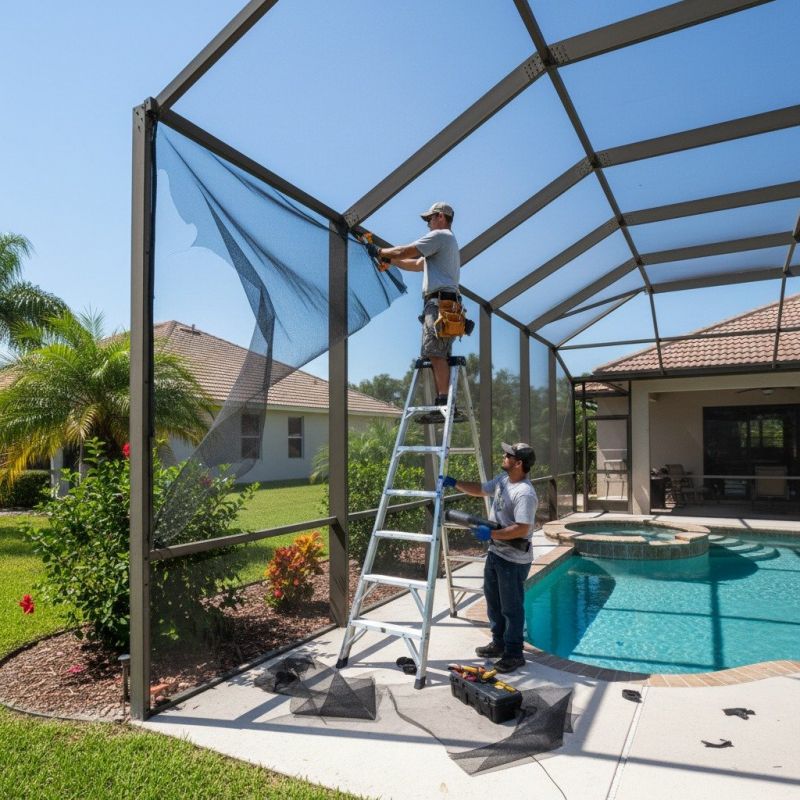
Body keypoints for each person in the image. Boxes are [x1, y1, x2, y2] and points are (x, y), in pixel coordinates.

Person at [443, 442, 538, 673]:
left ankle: (514, 654)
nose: (504, 456)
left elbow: (521, 529)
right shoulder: (503, 481)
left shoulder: (524, 493)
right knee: (494, 602)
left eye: (509, 455)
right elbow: (480, 489)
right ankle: (499, 643)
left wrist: (491, 533)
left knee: (511, 608)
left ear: (519, 463)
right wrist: (455, 483)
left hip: (514, 560)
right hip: (496, 553)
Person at [366, 202, 461, 422]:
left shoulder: (441, 236)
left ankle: (444, 405)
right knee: (435, 352)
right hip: (442, 303)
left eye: (429, 219)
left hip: (439, 304)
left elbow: (406, 250)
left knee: (435, 353)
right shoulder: (445, 243)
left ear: (440, 216)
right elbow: (416, 264)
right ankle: (444, 403)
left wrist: (379, 251)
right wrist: (389, 260)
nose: (428, 224)